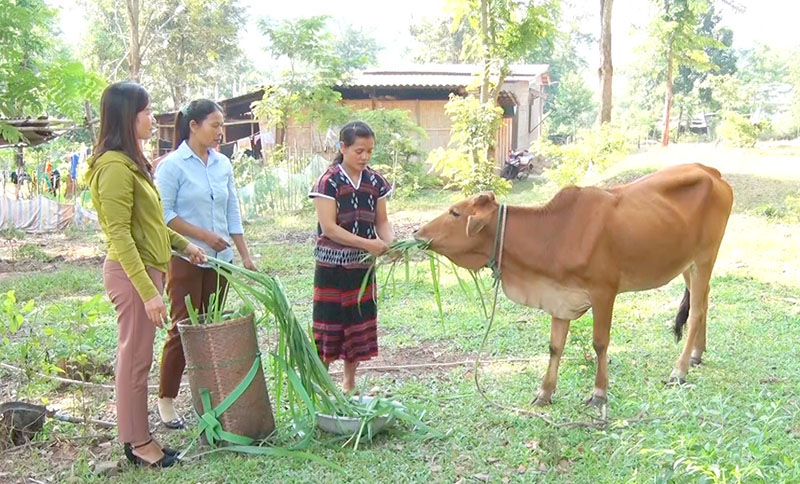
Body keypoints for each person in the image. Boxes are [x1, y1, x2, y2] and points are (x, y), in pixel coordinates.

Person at [84, 81, 206, 468]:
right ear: (127, 115)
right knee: (135, 361)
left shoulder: (131, 163)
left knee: (138, 359)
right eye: (147, 111)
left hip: (146, 272)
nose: (153, 119)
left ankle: (139, 437)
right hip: (131, 274)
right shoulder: (115, 168)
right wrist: (149, 293)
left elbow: (148, 225)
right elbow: (119, 234)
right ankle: (138, 444)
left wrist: (182, 245)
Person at [154, 99, 256, 429]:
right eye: (214, 125)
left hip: (220, 260)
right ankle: (166, 399)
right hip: (185, 258)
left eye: (221, 125)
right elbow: (164, 215)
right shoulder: (172, 166)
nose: (220, 132)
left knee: (210, 326)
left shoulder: (222, 163)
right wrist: (203, 237)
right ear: (193, 126)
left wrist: (244, 254)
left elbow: (232, 212)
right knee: (183, 327)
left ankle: (208, 395)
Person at [308, 121, 394, 393]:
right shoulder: (328, 181)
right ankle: (321, 386)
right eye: (359, 151)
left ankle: (349, 385)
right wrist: (368, 244)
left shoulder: (375, 182)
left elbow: (382, 222)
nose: (365, 157)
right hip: (332, 267)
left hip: (362, 269)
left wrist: (391, 244)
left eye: (369, 151)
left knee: (358, 325)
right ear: (342, 147)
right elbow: (330, 228)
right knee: (328, 325)